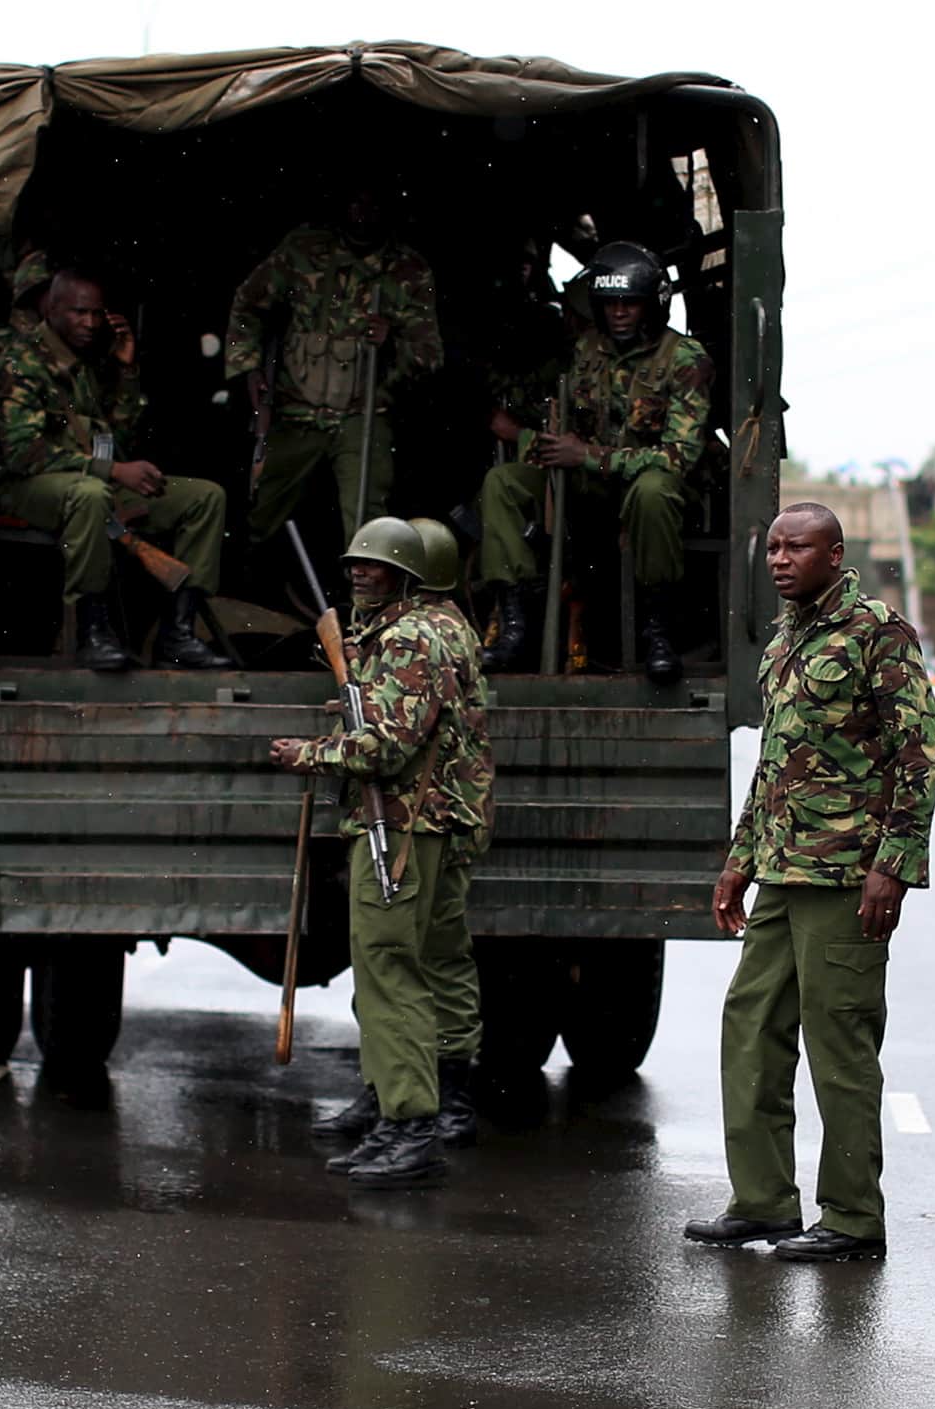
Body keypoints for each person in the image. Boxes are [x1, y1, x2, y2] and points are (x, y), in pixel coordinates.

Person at [691, 502, 935, 1264]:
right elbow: (776, 761)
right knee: (752, 1031)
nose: (778, 559)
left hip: (845, 878)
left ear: (835, 554)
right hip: (780, 872)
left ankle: (853, 1217)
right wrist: (740, 857)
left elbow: (921, 753)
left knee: (840, 1047)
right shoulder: (786, 639)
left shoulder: (877, 633)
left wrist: (892, 865)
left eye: (795, 547)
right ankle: (763, 1200)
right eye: (772, 547)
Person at [268, 518, 495, 1188]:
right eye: (356, 563)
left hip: (401, 825)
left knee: (389, 970)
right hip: (438, 820)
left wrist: (307, 755)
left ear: (407, 574)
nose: (360, 573)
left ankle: (408, 1123)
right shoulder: (440, 627)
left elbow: (386, 745)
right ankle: (423, 1101)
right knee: (432, 963)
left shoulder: (408, 639)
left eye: (376, 565)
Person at [476, 242, 712, 686]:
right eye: (610, 304)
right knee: (503, 483)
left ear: (652, 305)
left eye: (630, 302)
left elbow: (678, 458)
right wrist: (536, 442)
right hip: (589, 486)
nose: (619, 312)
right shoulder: (587, 352)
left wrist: (587, 456)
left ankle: (658, 631)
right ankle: (513, 623)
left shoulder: (685, 359)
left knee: (653, 490)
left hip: (648, 489)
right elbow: (564, 431)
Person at [0, 262, 235, 673]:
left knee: (205, 498)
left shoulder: (84, 364)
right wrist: (114, 472)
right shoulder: (22, 362)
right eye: (77, 312)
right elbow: (22, 453)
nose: (88, 322)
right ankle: (92, 635)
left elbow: (117, 438)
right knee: (91, 495)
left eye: (96, 313)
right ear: (52, 310)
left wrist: (125, 368)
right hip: (23, 486)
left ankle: (178, 634)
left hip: (87, 480)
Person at [224, 197, 440, 545]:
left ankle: (364, 597)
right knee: (260, 513)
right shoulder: (302, 249)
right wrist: (247, 369)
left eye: (373, 200)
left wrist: (394, 340)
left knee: (368, 525)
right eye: (357, 199)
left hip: (363, 414)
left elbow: (429, 356)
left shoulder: (409, 270)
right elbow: (247, 303)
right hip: (295, 410)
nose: (363, 210)